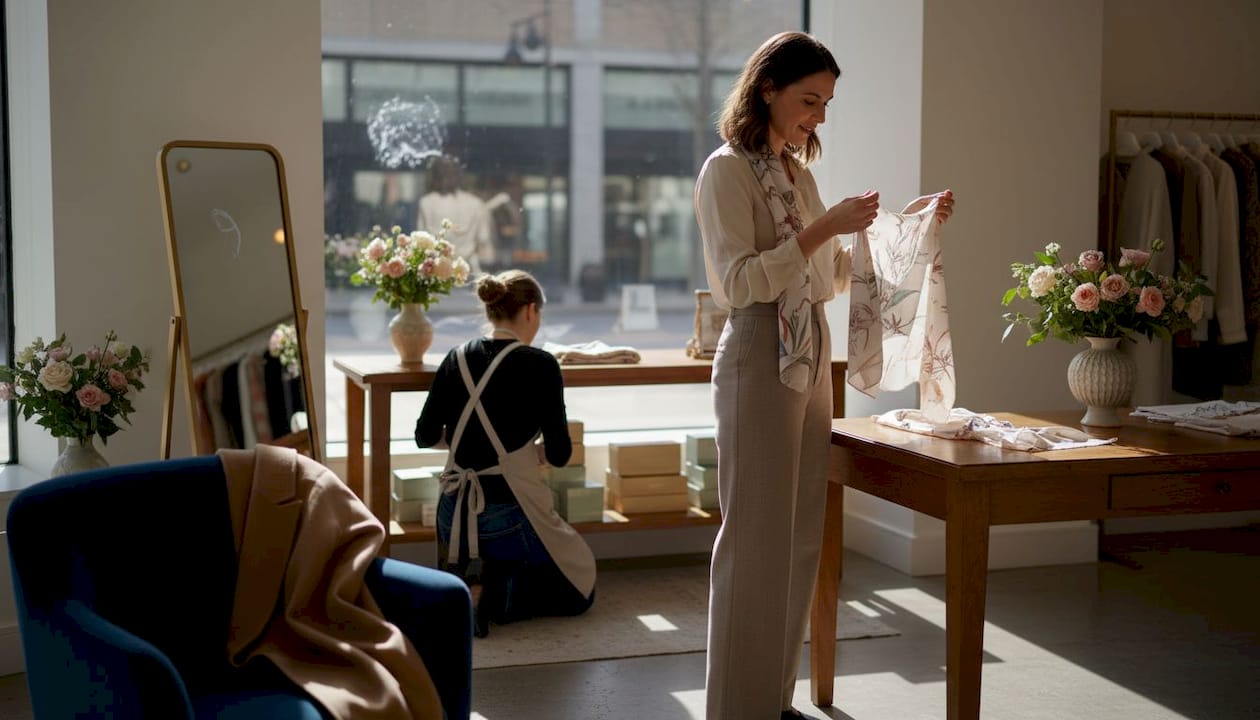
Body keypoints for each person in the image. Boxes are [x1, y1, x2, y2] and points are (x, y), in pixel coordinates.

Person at [693, 31, 955, 720]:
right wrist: (822, 229)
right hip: (756, 353)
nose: (820, 116)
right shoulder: (725, 172)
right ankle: (735, 709)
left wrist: (911, 228)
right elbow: (741, 284)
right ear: (768, 90)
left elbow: (829, 278)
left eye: (827, 102)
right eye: (810, 99)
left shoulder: (795, 175)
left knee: (800, 533)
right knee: (752, 540)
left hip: (809, 360)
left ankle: (770, 701)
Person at [415, 270, 596, 638]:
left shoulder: (456, 357)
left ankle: (469, 581)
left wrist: (469, 441)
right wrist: (533, 452)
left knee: (497, 551)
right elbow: (560, 454)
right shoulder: (541, 364)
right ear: (531, 311)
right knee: (581, 588)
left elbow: (424, 436)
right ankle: (499, 593)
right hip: (507, 514)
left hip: (452, 515)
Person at [417, 155, 492, 275]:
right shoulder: (476, 203)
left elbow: (420, 242)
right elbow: (484, 242)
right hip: (462, 272)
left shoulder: (426, 202)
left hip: (440, 275)